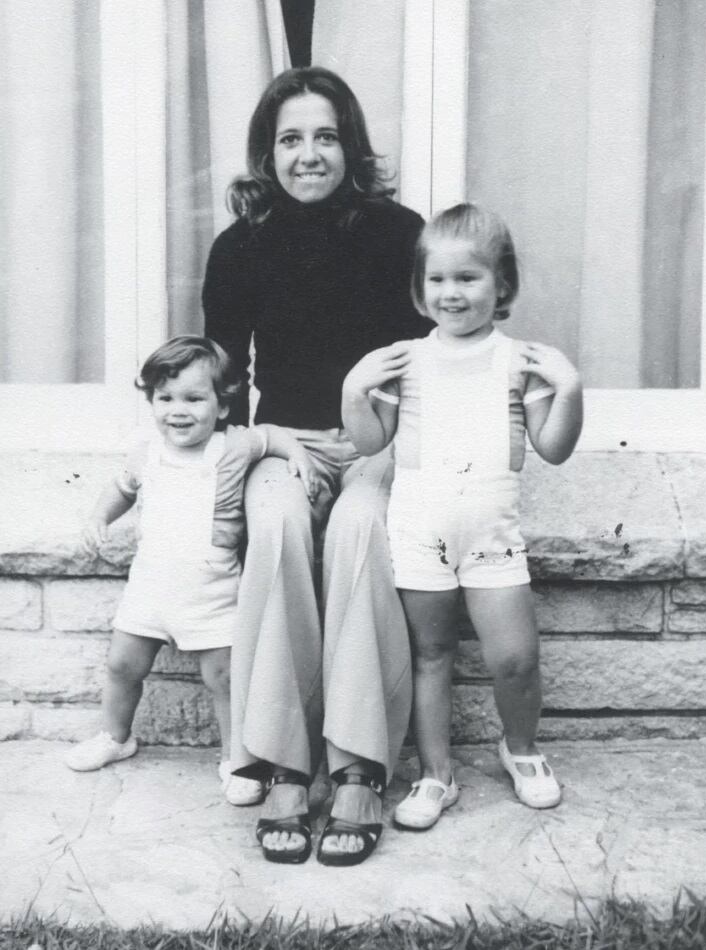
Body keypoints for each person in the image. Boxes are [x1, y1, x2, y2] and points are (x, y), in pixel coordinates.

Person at [202, 67, 432, 865]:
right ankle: (285, 763)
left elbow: (425, 364)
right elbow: (224, 382)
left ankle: (361, 766)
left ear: (351, 145)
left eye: (326, 136)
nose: (309, 155)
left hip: (378, 439)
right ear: (268, 154)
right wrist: (267, 446)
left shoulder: (400, 233)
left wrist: (380, 429)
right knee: (275, 530)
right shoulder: (239, 248)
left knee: (362, 529)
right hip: (283, 442)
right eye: (290, 139)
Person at [342, 203, 583, 830]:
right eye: (438, 280)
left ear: (501, 284)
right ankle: (435, 773)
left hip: (492, 535)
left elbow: (553, 448)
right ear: (421, 290)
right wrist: (353, 390)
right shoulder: (405, 360)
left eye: (469, 278)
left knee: (514, 660)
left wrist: (570, 390)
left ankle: (521, 750)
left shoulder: (519, 361)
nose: (452, 293)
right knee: (431, 653)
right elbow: (370, 443)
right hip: (421, 531)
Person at [65, 336, 316, 809]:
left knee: (224, 678)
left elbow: (275, 434)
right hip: (151, 587)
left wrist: (297, 455)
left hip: (212, 591)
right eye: (165, 398)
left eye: (194, 398)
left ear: (222, 406)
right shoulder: (146, 452)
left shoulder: (235, 446)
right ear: (152, 401)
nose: (177, 411)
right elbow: (121, 489)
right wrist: (99, 517)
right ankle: (115, 736)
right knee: (122, 665)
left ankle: (236, 759)